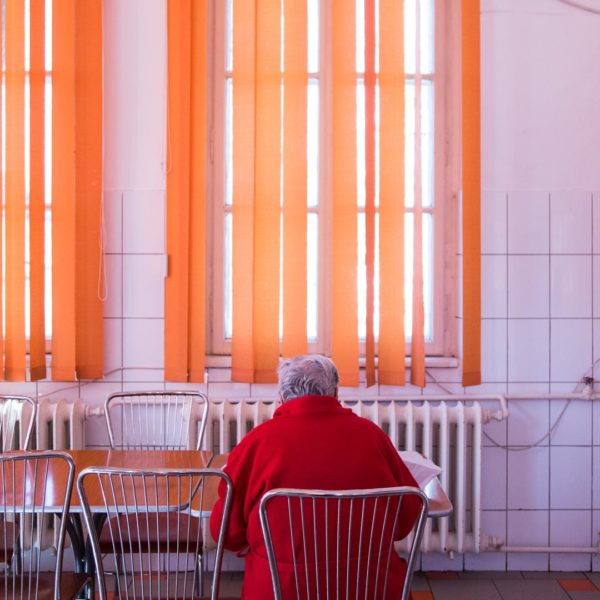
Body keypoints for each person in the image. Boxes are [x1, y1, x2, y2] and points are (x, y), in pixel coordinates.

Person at [210, 355, 421, 599]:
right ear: (336, 393)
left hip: (283, 590)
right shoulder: (372, 435)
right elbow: (405, 520)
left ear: (281, 398)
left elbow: (226, 533)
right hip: (371, 588)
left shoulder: (257, 442)